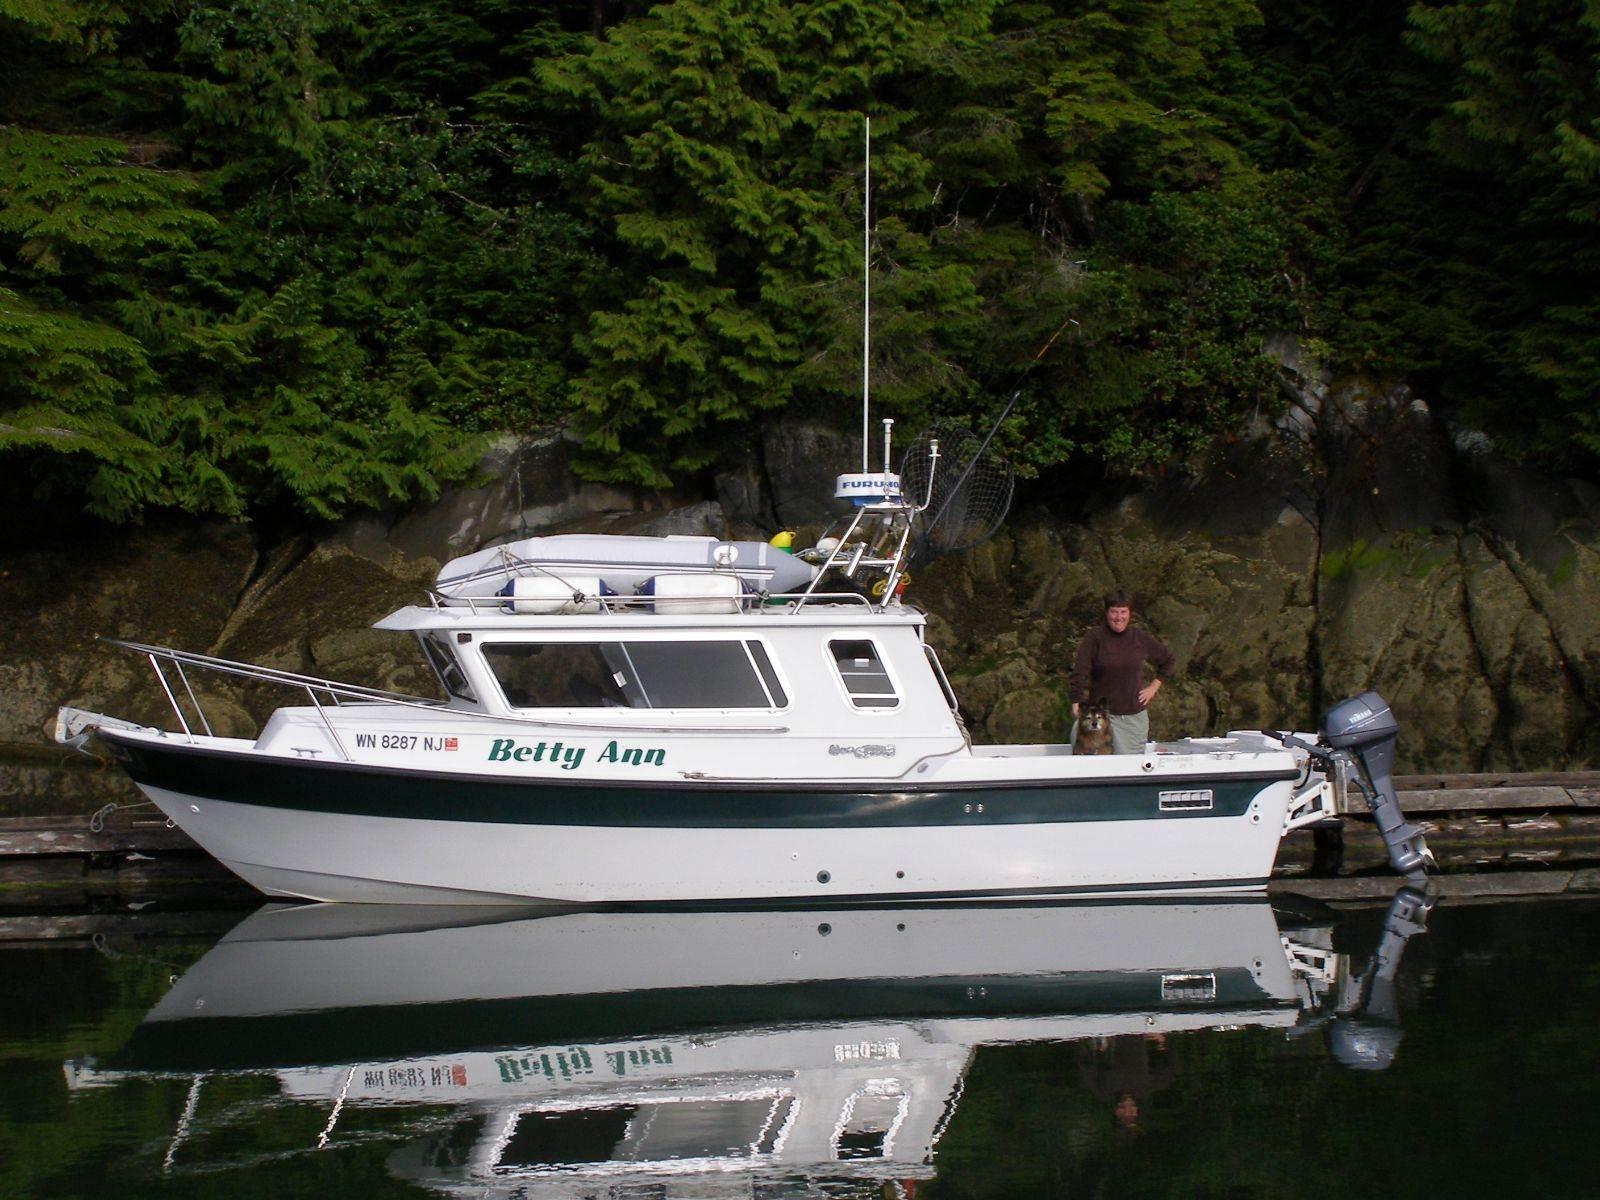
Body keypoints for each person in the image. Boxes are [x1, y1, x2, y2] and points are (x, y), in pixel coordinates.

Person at [1070, 589, 1175, 755]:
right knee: (1090, 762)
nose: (1119, 617)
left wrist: (1153, 687)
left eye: (1123, 612)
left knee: (1128, 766)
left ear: (1129, 613)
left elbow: (1168, 660)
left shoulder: (1139, 637)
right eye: (1114, 612)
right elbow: (1080, 670)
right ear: (1106, 613)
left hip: (1131, 717)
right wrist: (1075, 699)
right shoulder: (1094, 637)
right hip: (1100, 716)